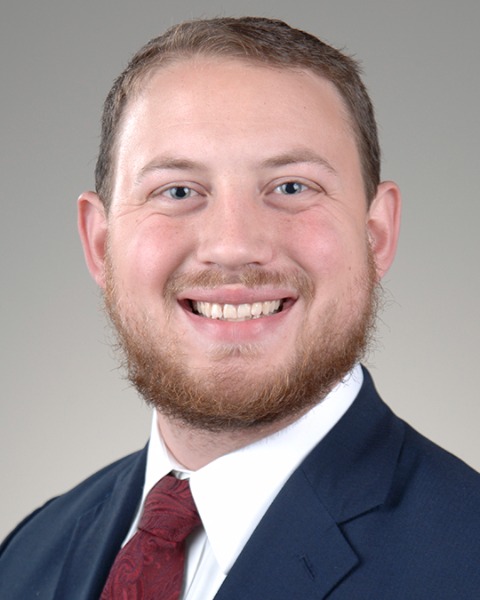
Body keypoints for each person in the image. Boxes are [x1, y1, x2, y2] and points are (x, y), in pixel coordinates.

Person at [1, 16, 479, 599]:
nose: (233, 245)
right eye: (178, 191)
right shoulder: (26, 556)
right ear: (100, 244)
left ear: (376, 235)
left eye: (291, 187)